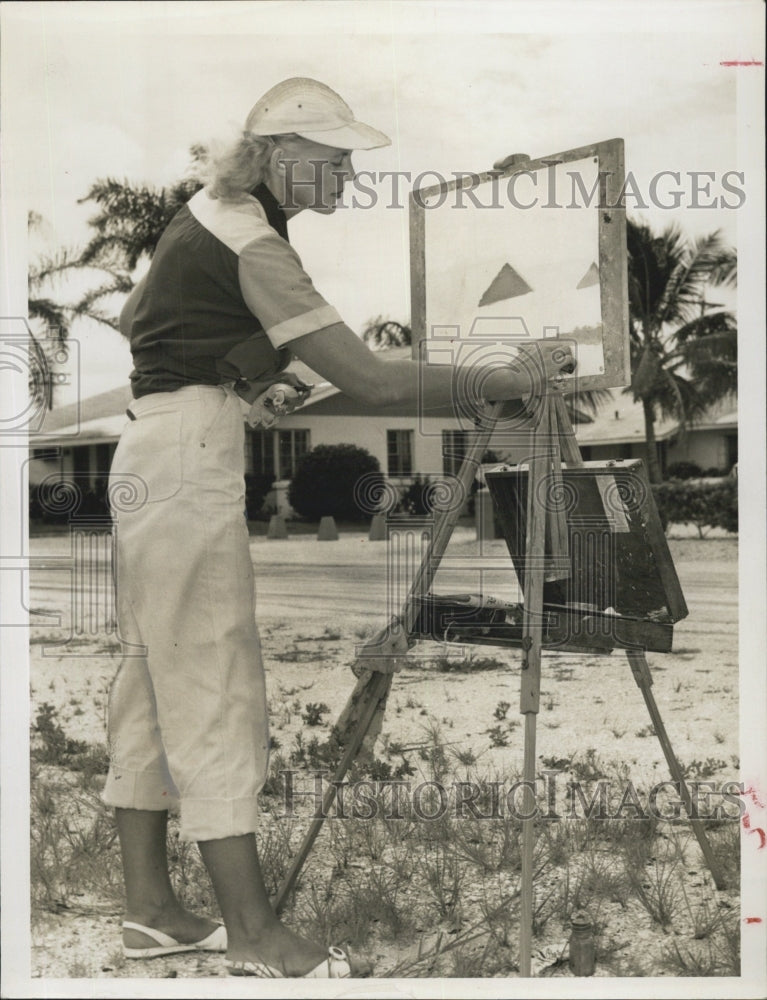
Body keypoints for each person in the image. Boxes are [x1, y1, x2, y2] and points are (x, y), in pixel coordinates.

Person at [104, 76, 575, 979]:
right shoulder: (254, 238)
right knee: (212, 676)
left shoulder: (206, 213)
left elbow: (141, 320)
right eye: (337, 160)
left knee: (152, 676)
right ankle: (251, 934)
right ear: (281, 158)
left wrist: (246, 372)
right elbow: (378, 384)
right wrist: (506, 377)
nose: (352, 177)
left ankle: (152, 913)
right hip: (185, 453)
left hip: (151, 445)